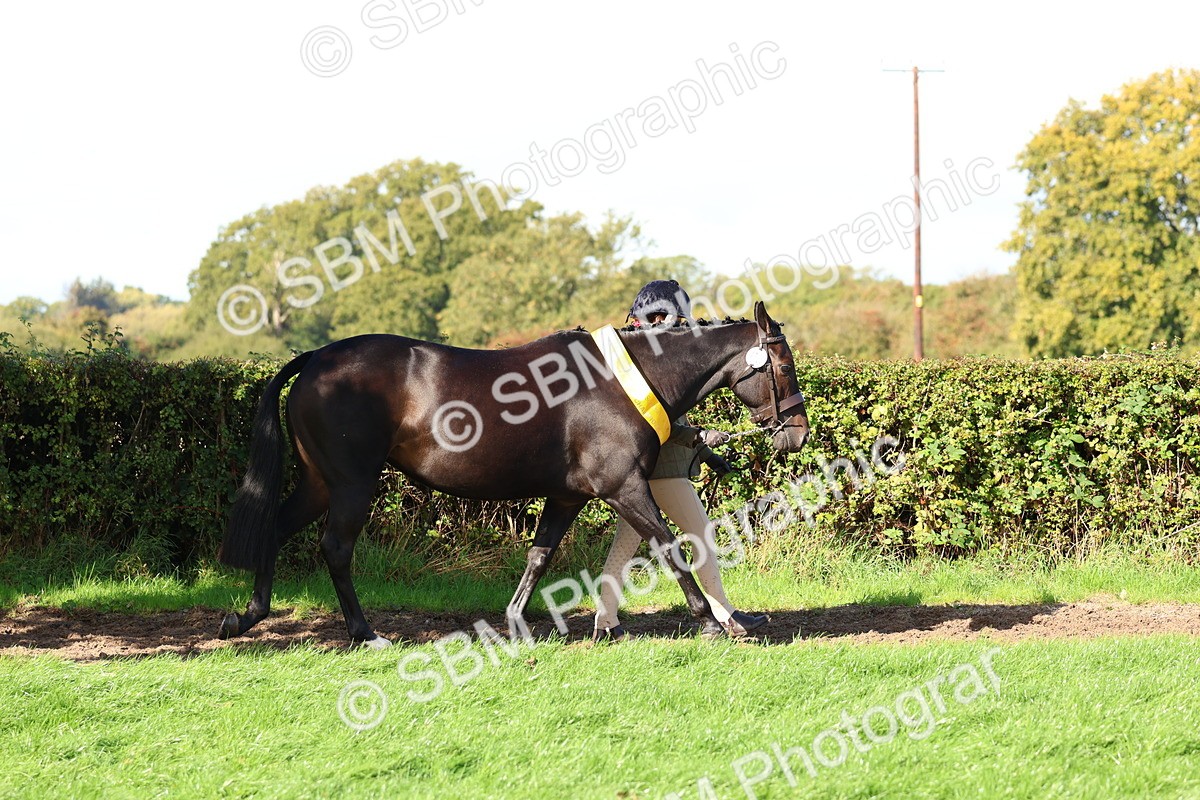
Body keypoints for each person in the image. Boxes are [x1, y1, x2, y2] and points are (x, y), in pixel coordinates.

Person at [593, 279, 769, 641]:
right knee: (702, 533)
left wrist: (708, 454)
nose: (661, 322)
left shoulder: (652, 358)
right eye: (654, 316)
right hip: (662, 471)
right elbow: (658, 422)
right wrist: (699, 438)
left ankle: (604, 621)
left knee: (625, 545)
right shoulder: (638, 362)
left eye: (664, 315)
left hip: (650, 471)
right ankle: (724, 614)